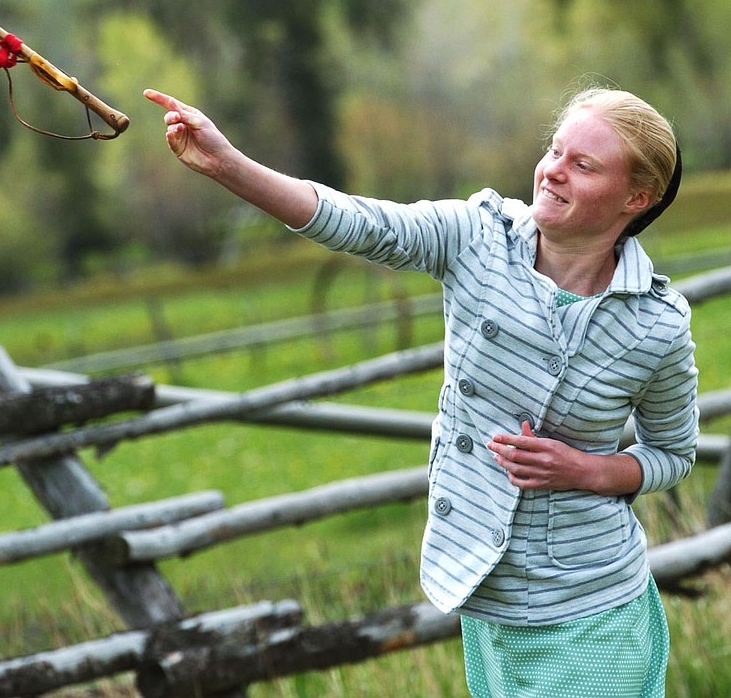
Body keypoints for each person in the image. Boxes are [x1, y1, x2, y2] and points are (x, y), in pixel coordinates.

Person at [144, 85, 699, 697]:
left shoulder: (656, 324)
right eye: (555, 150)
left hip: (592, 603)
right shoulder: (477, 239)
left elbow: (672, 454)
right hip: (490, 599)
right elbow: (355, 222)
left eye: (583, 164)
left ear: (635, 197)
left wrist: (587, 471)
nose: (552, 171)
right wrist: (229, 165)